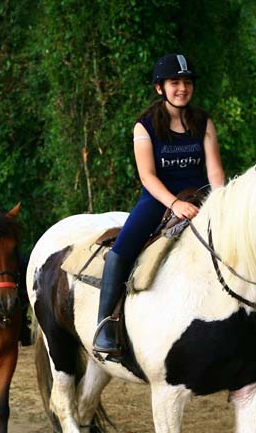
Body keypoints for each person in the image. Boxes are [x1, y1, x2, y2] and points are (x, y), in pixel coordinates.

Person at [93, 53, 226, 359]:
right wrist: (174, 203)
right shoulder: (145, 126)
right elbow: (147, 176)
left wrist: (220, 202)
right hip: (158, 199)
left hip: (201, 197)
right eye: (175, 82)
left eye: (187, 82)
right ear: (159, 88)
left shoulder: (203, 121)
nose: (182, 88)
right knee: (121, 250)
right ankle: (106, 326)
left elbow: (215, 170)